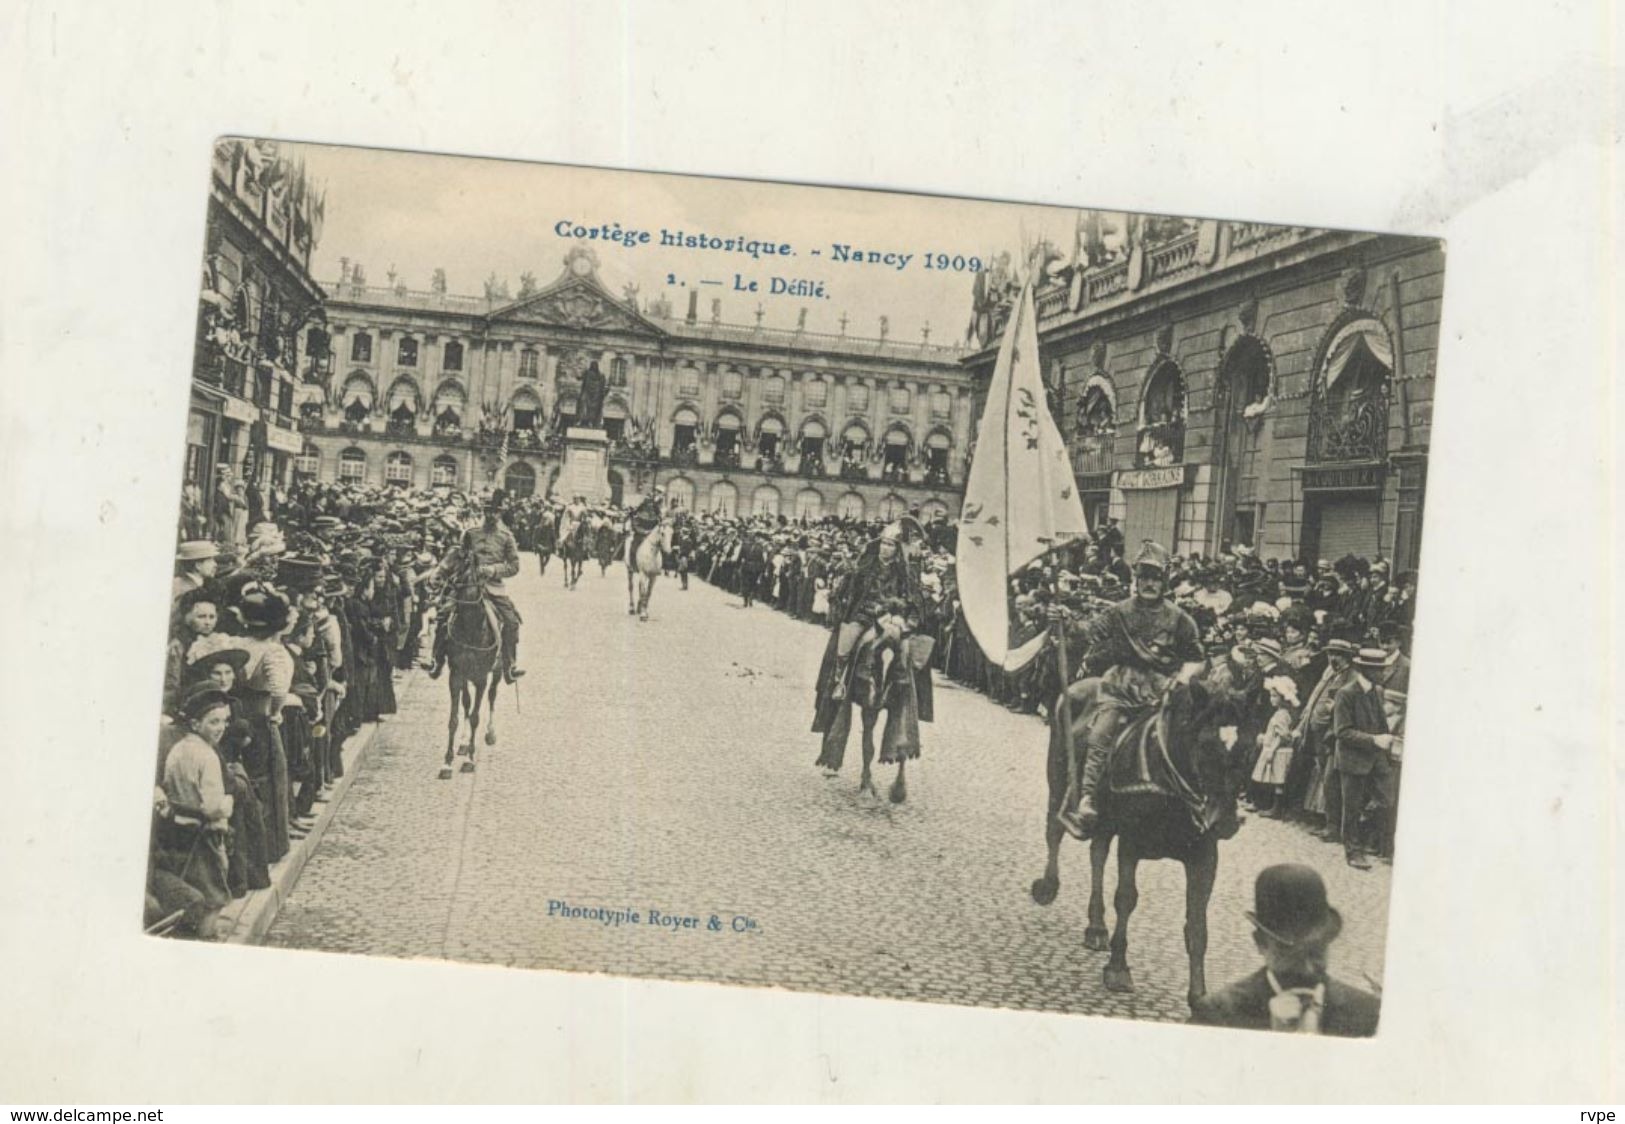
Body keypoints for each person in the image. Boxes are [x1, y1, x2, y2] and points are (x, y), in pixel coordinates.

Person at [1057, 539, 1204, 839]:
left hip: (1162, 691)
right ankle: (1087, 798)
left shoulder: (1181, 619)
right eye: (1144, 577)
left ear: (1164, 582)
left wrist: (1183, 678)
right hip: (1121, 688)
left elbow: (1197, 658)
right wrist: (1066, 620)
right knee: (1100, 734)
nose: (1150, 583)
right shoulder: (1118, 612)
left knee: (1192, 738)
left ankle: (1200, 803)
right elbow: (1090, 632)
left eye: (1156, 578)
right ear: (1136, 580)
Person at [1189, 864, 1380, 1036]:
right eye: (1289, 953)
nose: (1307, 968)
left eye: (1315, 951)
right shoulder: (1218, 1016)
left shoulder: (1368, 1014)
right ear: (1260, 943)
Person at [153, 683, 237, 939]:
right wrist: (228, 803)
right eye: (213, 722)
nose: (221, 728)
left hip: (179, 830)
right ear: (195, 724)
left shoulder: (178, 750)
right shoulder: (208, 756)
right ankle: (206, 940)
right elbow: (212, 807)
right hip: (205, 836)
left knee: (191, 890)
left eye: (224, 721)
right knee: (213, 898)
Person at [420, 489, 525, 682]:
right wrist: (440, 572)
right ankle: (436, 660)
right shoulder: (470, 534)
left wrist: (493, 570)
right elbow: (456, 555)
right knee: (444, 615)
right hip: (466, 585)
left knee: (511, 621)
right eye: (487, 511)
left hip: (493, 587)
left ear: (500, 513)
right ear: (483, 512)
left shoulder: (506, 537)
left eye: (495, 512)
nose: (491, 515)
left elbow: (514, 565)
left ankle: (510, 665)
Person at [1331, 647, 1398, 869]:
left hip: (1376, 758)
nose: (1383, 673)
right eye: (1378, 670)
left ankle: (1366, 832)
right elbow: (1342, 731)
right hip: (1353, 759)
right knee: (1351, 808)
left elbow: (1380, 722)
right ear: (1365, 670)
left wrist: (1386, 740)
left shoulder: (1376, 692)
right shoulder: (1346, 693)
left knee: (1387, 799)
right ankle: (1353, 852)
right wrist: (1374, 740)